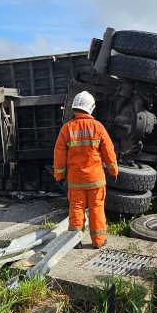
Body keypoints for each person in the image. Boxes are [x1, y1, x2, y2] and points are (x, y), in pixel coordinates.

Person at [53, 91, 119, 249]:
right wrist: (113, 171)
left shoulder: (66, 129)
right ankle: (99, 241)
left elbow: (59, 155)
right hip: (95, 179)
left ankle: (75, 241)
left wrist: (59, 176)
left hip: (76, 181)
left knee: (76, 208)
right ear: (91, 108)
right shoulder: (98, 127)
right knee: (97, 209)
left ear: (75, 108)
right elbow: (109, 152)